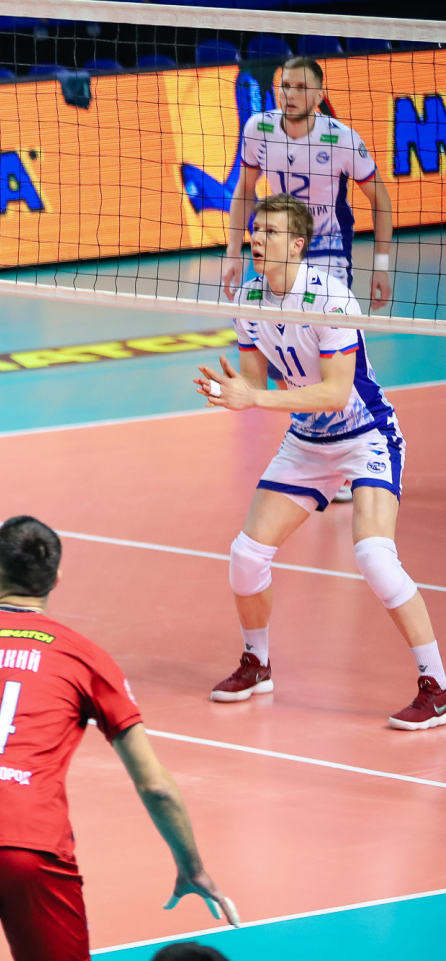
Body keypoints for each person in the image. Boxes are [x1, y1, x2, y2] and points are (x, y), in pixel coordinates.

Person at [0, 516, 239, 960]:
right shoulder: (83, 656)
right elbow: (155, 785)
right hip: (34, 843)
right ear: (55, 580)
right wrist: (191, 866)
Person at [197, 193, 444, 729]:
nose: (257, 239)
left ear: (297, 245)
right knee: (246, 556)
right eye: (256, 230)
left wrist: (254, 398)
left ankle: (437, 685)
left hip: (366, 435)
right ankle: (257, 664)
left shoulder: (330, 299)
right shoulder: (250, 298)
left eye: (270, 232)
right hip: (307, 442)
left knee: (374, 556)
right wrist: (234, 393)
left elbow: (334, 393)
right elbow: (255, 382)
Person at [221, 56, 392, 310]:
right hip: (281, 250)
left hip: (329, 248)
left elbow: (381, 200)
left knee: (328, 328)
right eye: (286, 86)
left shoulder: (341, 139)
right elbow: (245, 190)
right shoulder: (259, 129)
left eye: (301, 88)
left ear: (319, 96)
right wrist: (233, 253)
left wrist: (381, 267)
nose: (290, 94)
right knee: (282, 329)